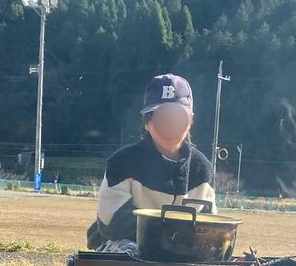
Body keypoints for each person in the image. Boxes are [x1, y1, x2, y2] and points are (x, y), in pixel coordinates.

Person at [86, 74, 216, 253]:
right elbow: (113, 225)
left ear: (190, 120)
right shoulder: (122, 163)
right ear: (147, 122)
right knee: (133, 254)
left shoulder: (202, 169)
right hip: (123, 243)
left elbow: (208, 228)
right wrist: (170, 237)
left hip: (179, 249)